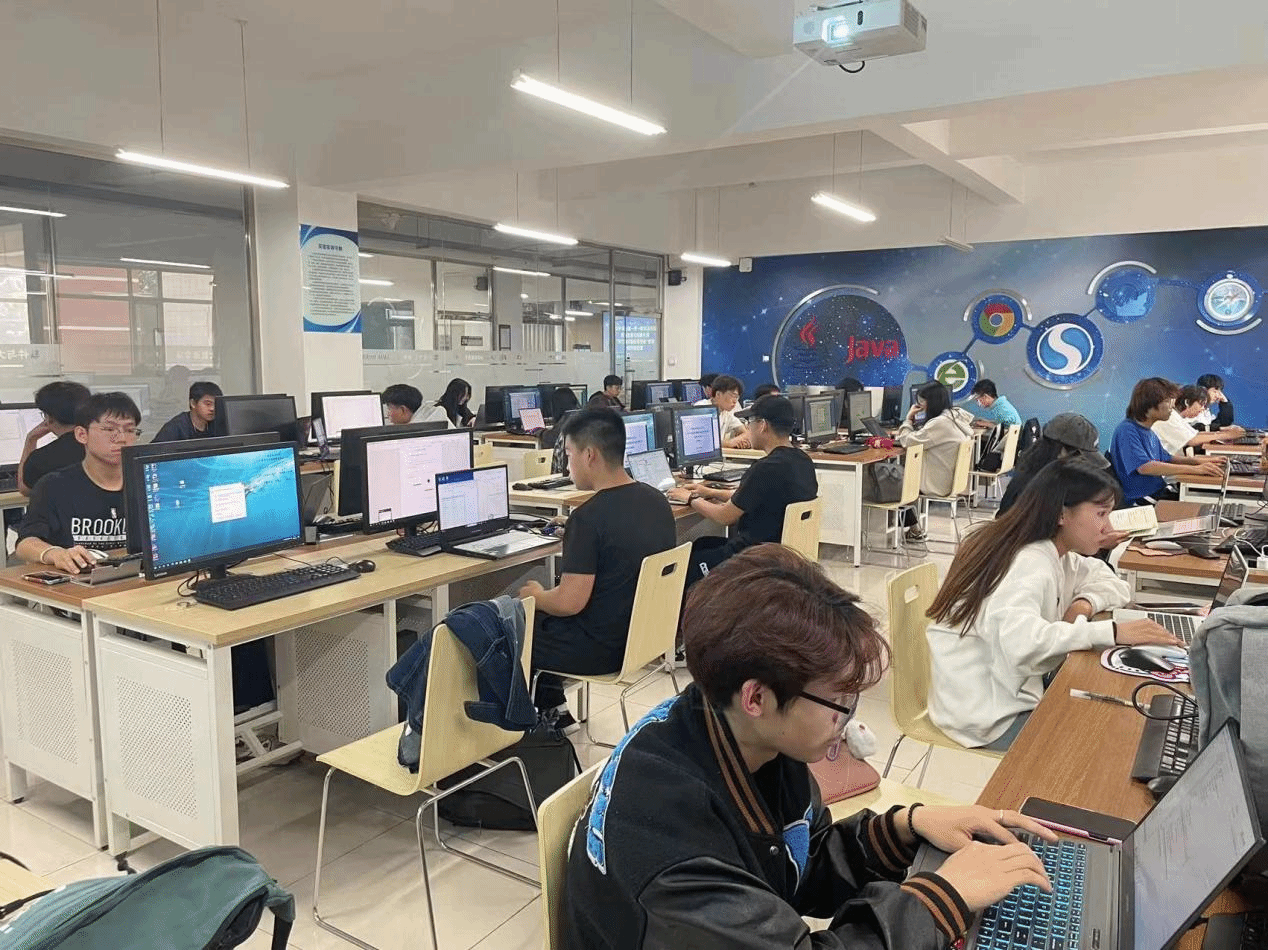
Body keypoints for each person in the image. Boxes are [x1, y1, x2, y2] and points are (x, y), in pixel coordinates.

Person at [564, 543, 1059, 950]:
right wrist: (943, 899)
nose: (848, 720)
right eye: (838, 702)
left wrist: (907, 828)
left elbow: (798, 862)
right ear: (756, 697)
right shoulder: (673, 846)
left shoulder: (741, 733)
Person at [926, 459, 1179, 750]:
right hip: (987, 716)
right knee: (1114, 740)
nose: (1108, 527)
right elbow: (1022, 645)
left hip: (1007, 689)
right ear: (1061, 514)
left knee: (1117, 714)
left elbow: (1110, 581)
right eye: (1101, 514)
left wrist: (1084, 604)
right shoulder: (1028, 562)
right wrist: (1111, 632)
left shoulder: (1055, 552)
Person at [519, 409, 675, 717]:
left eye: (569, 455)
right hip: (641, 640)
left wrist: (535, 596)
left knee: (508, 628)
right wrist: (575, 534)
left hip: (597, 651)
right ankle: (555, 713)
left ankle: (530, 726)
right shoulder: (657, 501)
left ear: (589, 455)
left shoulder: (589, 518)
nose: (567, 466)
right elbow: (620, 540)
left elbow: (568, 603)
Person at [669, 395, 817, 585]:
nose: (748, 429)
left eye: (750, 423)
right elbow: (753, 497)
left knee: (684, 567)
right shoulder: (802, 461)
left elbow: (725, 517)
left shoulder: (765, 468)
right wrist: (711, 492)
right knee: (701, 544)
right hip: (780, 553)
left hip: (753, 557)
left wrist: (690, 498)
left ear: (762, 425)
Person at [15, 392, 142, 573]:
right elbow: (25, 543)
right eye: (109, 429)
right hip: (77, 580)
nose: (122, 438)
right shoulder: (54, 486)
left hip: (138, 580)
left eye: (130, 430)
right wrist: (54, 553)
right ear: (82, 434)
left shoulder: (147, 482)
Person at [1109, 377, 1222, 505]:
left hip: (1158, 491)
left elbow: (1167, 458)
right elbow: (1145, 467)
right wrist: (1196, 470)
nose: (1172, 406)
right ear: (1150, 404)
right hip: (1143, 499)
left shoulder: (1149, 431)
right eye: (1168, 401)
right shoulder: (1127, 430)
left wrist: (1199, 461)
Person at [896, 381, 974, 540]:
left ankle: (912, 529)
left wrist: (908, 420)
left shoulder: (939, 423)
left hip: (938, 482)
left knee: (895, 479)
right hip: (951, 480)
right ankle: (913, 528)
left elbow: (907, 442)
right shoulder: (955, 416)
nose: (920, 405)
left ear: (932, 402)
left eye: (922, 401)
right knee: (904, 475)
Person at [997, 413, 1108, 517]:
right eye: (1081, 459)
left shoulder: (1038, 471)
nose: (1084, 467)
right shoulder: (1036, 490)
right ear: (1061, 451)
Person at [17, 380, 90, 496]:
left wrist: (31, 440)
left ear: (50, 418)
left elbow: (25, 489)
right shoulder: (104, 446)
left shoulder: (41, 458)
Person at [1152, 385, 1244, 456]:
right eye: (1201, 404)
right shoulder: (1169, 417)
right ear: (1187, 402)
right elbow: (1192, 440)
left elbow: (1195, 434)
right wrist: (1226, 435)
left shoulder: (1177, 417)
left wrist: (1223, 434)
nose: (1203, 409)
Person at [151, 381, 223, 443]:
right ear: (193, 403)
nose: (212, 408)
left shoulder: (218, 424)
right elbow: (153, 451)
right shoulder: (175, 427)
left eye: (216, 404)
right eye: (208, 404)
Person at [542, 387, 583, 475]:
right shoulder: (580, 415)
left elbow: (551, 438)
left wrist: (540, 432)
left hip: (563, 475)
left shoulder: (567, 420)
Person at [702, 374, 749, 448]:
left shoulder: (726, 413)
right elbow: (702, 442)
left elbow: (746, 433)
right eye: (733, 396)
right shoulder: (702, 408)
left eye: (737, 397)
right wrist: (728, 444)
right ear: (718, 394)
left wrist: (737, 442)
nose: (735, 401)